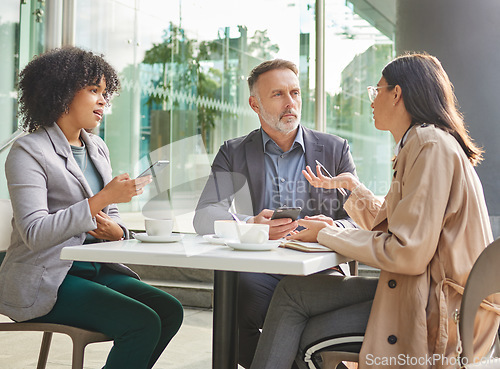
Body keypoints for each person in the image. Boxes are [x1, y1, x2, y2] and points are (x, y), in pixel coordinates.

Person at [249, 52, 500, 369]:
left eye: (376, 90)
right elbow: (402, 226)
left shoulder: (429, 145)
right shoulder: (423, 142)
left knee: (304, 331)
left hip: (433, 310)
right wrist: (354, 189)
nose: (371, 100)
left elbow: (407, 252)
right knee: (292, 291)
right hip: (421, 292)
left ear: (397, 94)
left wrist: (325, 233)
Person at [0, 47, 183, 369]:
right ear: (61, 91)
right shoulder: (27, 151)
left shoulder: (96, 146)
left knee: (169, 310)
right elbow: (34, 232)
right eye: (93, 90)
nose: (103, 100)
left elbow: (109, 218)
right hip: (47, 274)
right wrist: (102, 198)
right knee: (141, 322)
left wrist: (117, 231)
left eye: (104, 92)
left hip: (94, 268)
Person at [193, 59, 357, 368]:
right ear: (255, 104)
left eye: (295, 92)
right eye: (278, 94)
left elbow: (359, 219)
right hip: (259, 269)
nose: (290, 102)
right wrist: (250, 225)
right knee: (231, 298)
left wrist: (330, 227)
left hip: (318, 269)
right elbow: (204, 215)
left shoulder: (335, 149)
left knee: (300, 314)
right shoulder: (234, 151)